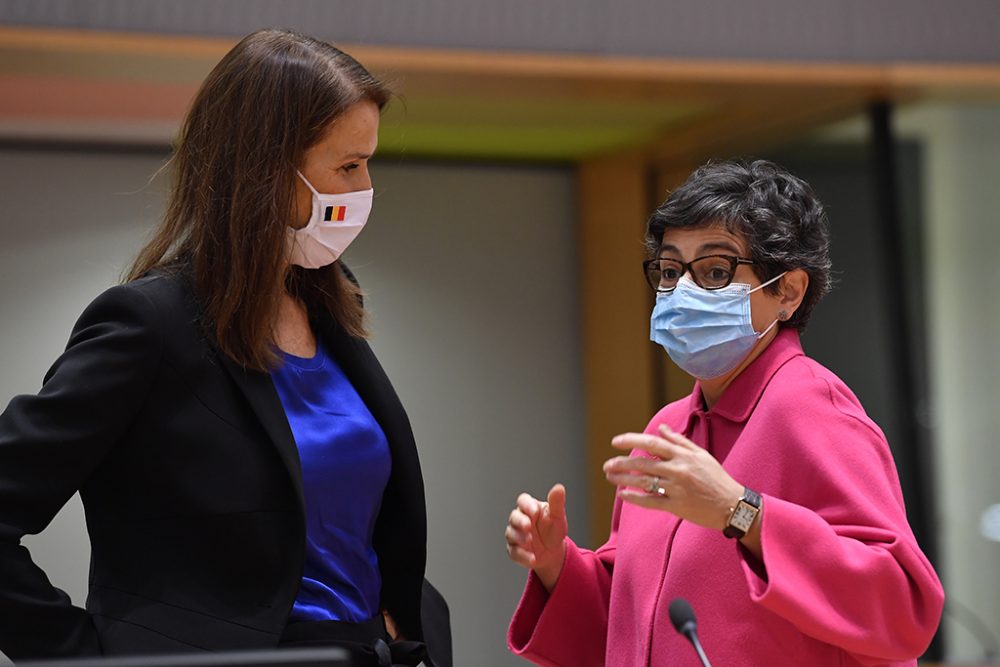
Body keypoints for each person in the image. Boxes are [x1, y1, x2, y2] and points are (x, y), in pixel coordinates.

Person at [0, 29, 447, 667]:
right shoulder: (148, 324)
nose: (365, 187)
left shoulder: (331, 302)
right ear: (267, 169)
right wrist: (85, 660)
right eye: (348, 166)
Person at [503, 159, 944, 666]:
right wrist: (557, 564)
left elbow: (902, 609)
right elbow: (638, 629)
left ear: (788, 291)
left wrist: (742, 512)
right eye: (670, 271)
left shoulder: (810, 407)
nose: (683, 292)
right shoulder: (666, 428)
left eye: (715, 272)